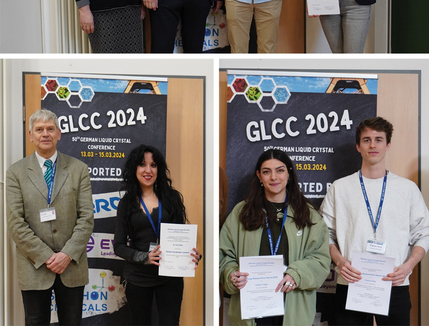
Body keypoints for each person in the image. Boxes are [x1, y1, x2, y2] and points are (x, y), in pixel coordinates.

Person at [320, 117, 429, 325]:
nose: (373, 145)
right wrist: (339, 261)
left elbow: (424, 233)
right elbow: (324, 233)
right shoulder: (340, 188)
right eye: (366, 140)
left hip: (394, 284)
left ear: (388, 145)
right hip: (352, 283)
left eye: (379, 139)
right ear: (358, 146)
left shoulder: (407, 189)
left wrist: (409, 265)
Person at [219, 149, 331, 326]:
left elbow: (321, 259)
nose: (273, 177)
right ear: (259, 176)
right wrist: (231, 274)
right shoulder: (242, 212)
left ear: (289, 173)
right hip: (251, 308)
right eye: (266, 171)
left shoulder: (308, 215)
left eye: (279, 170)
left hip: (293, 308)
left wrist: (297, 274)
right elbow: (223, 255)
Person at [6, 109, 94, 326]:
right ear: (31, 135)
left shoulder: (79, 169)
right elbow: (15, 222)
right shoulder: (15, 172)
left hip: (71, 264)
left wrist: (66, 254)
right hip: (34, 266)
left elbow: (86, 218)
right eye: (39, 129)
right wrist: (46, 256)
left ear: (59, 134)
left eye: (50, 129)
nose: (45, 134)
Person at [113, 144, 202, 325]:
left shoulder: (172, 198)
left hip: (170, 276)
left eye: (153, 165)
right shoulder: (126, 203)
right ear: (134, 168)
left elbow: (181, 236)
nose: (148, 170)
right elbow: (119, 246)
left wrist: (192, 255)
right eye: (142, 165)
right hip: (138, 277)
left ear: (159, 169)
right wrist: (144, 257)